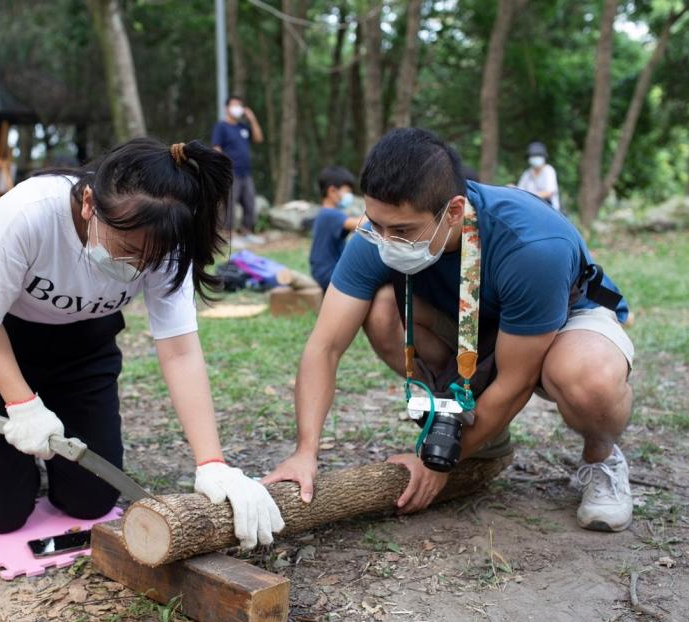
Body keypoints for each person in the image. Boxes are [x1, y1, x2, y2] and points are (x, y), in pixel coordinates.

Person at [265, 128, 635, 533]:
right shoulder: (379, 234)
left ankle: (601, 459)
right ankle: (459, 419)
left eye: (403, 231)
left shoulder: (532, 245)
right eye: (376, 224)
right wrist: (305, 452)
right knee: (380, 309)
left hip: (560, 321)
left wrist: (433, 465)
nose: (385, 241)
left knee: (588, 378)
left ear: (454, 212)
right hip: (470, 323)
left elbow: (517, 379)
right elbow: (324, 346)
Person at [0, 138, 284, 548]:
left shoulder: (168, 243)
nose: (136, 267)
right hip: (1, 338)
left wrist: (212, 463)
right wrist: (23, 405)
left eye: (149, 259)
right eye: (127, 250)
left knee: (91, 501)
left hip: (85, 343)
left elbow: (180, 350)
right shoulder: (27, 214)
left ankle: (38, 449)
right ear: (90, 204)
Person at [212, 96, 264, 244]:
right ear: (227, 108)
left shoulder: (243, 127)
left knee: (250, 202)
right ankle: (228, 235)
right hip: (231, 172)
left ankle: (247, 232)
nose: (237, 108)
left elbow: (259, 138)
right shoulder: (221, 127)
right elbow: (216, 148)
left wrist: (252, 119)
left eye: (240, 105)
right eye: (234, 105)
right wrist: (221, 168)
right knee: (229, 203)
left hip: (246, 172)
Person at [309, 166, 359, 291]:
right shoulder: (330, 214)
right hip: (328, 272)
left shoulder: (326, 214)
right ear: (332, 191)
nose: (350, 196)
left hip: (321, 271)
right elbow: (359, 224)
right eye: (347, 191)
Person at [516, 141, 560, 212]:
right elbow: (520, 190)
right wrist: (513, 189)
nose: (535, 158)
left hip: (550, 210)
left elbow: (549, 192)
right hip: (531, 208)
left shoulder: (549, 170)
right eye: (532, 156)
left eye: (537, 156)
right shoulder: (527, 173)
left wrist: (530, 196)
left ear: (543, 157)